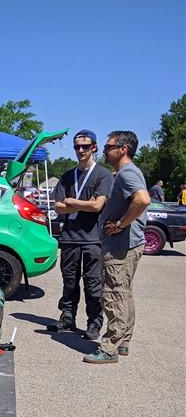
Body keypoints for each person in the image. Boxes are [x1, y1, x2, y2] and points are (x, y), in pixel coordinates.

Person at [83, 131, 151, 364]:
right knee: (124, 294)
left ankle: (109, 347)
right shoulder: (125, 173)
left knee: (114, 295)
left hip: (120, 247)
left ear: (123, 149)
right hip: (126, 245)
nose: (104, 150)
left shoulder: (128, 173)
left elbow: (143, 199)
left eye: (108, 146)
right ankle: (123, 341)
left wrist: (121, 224)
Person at [50, 129, 113, 338]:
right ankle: (67, 317)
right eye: (77, 146)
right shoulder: (68, 176)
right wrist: (80, 205)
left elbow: (97, 206)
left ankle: (94, 322)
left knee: (93, 283)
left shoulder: (103, 175)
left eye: (85, 146)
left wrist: (73, 202)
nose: (80, 150)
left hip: (93, 238)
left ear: (94, 147)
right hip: (69, 238)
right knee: (69, 281)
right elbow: (58, 207)